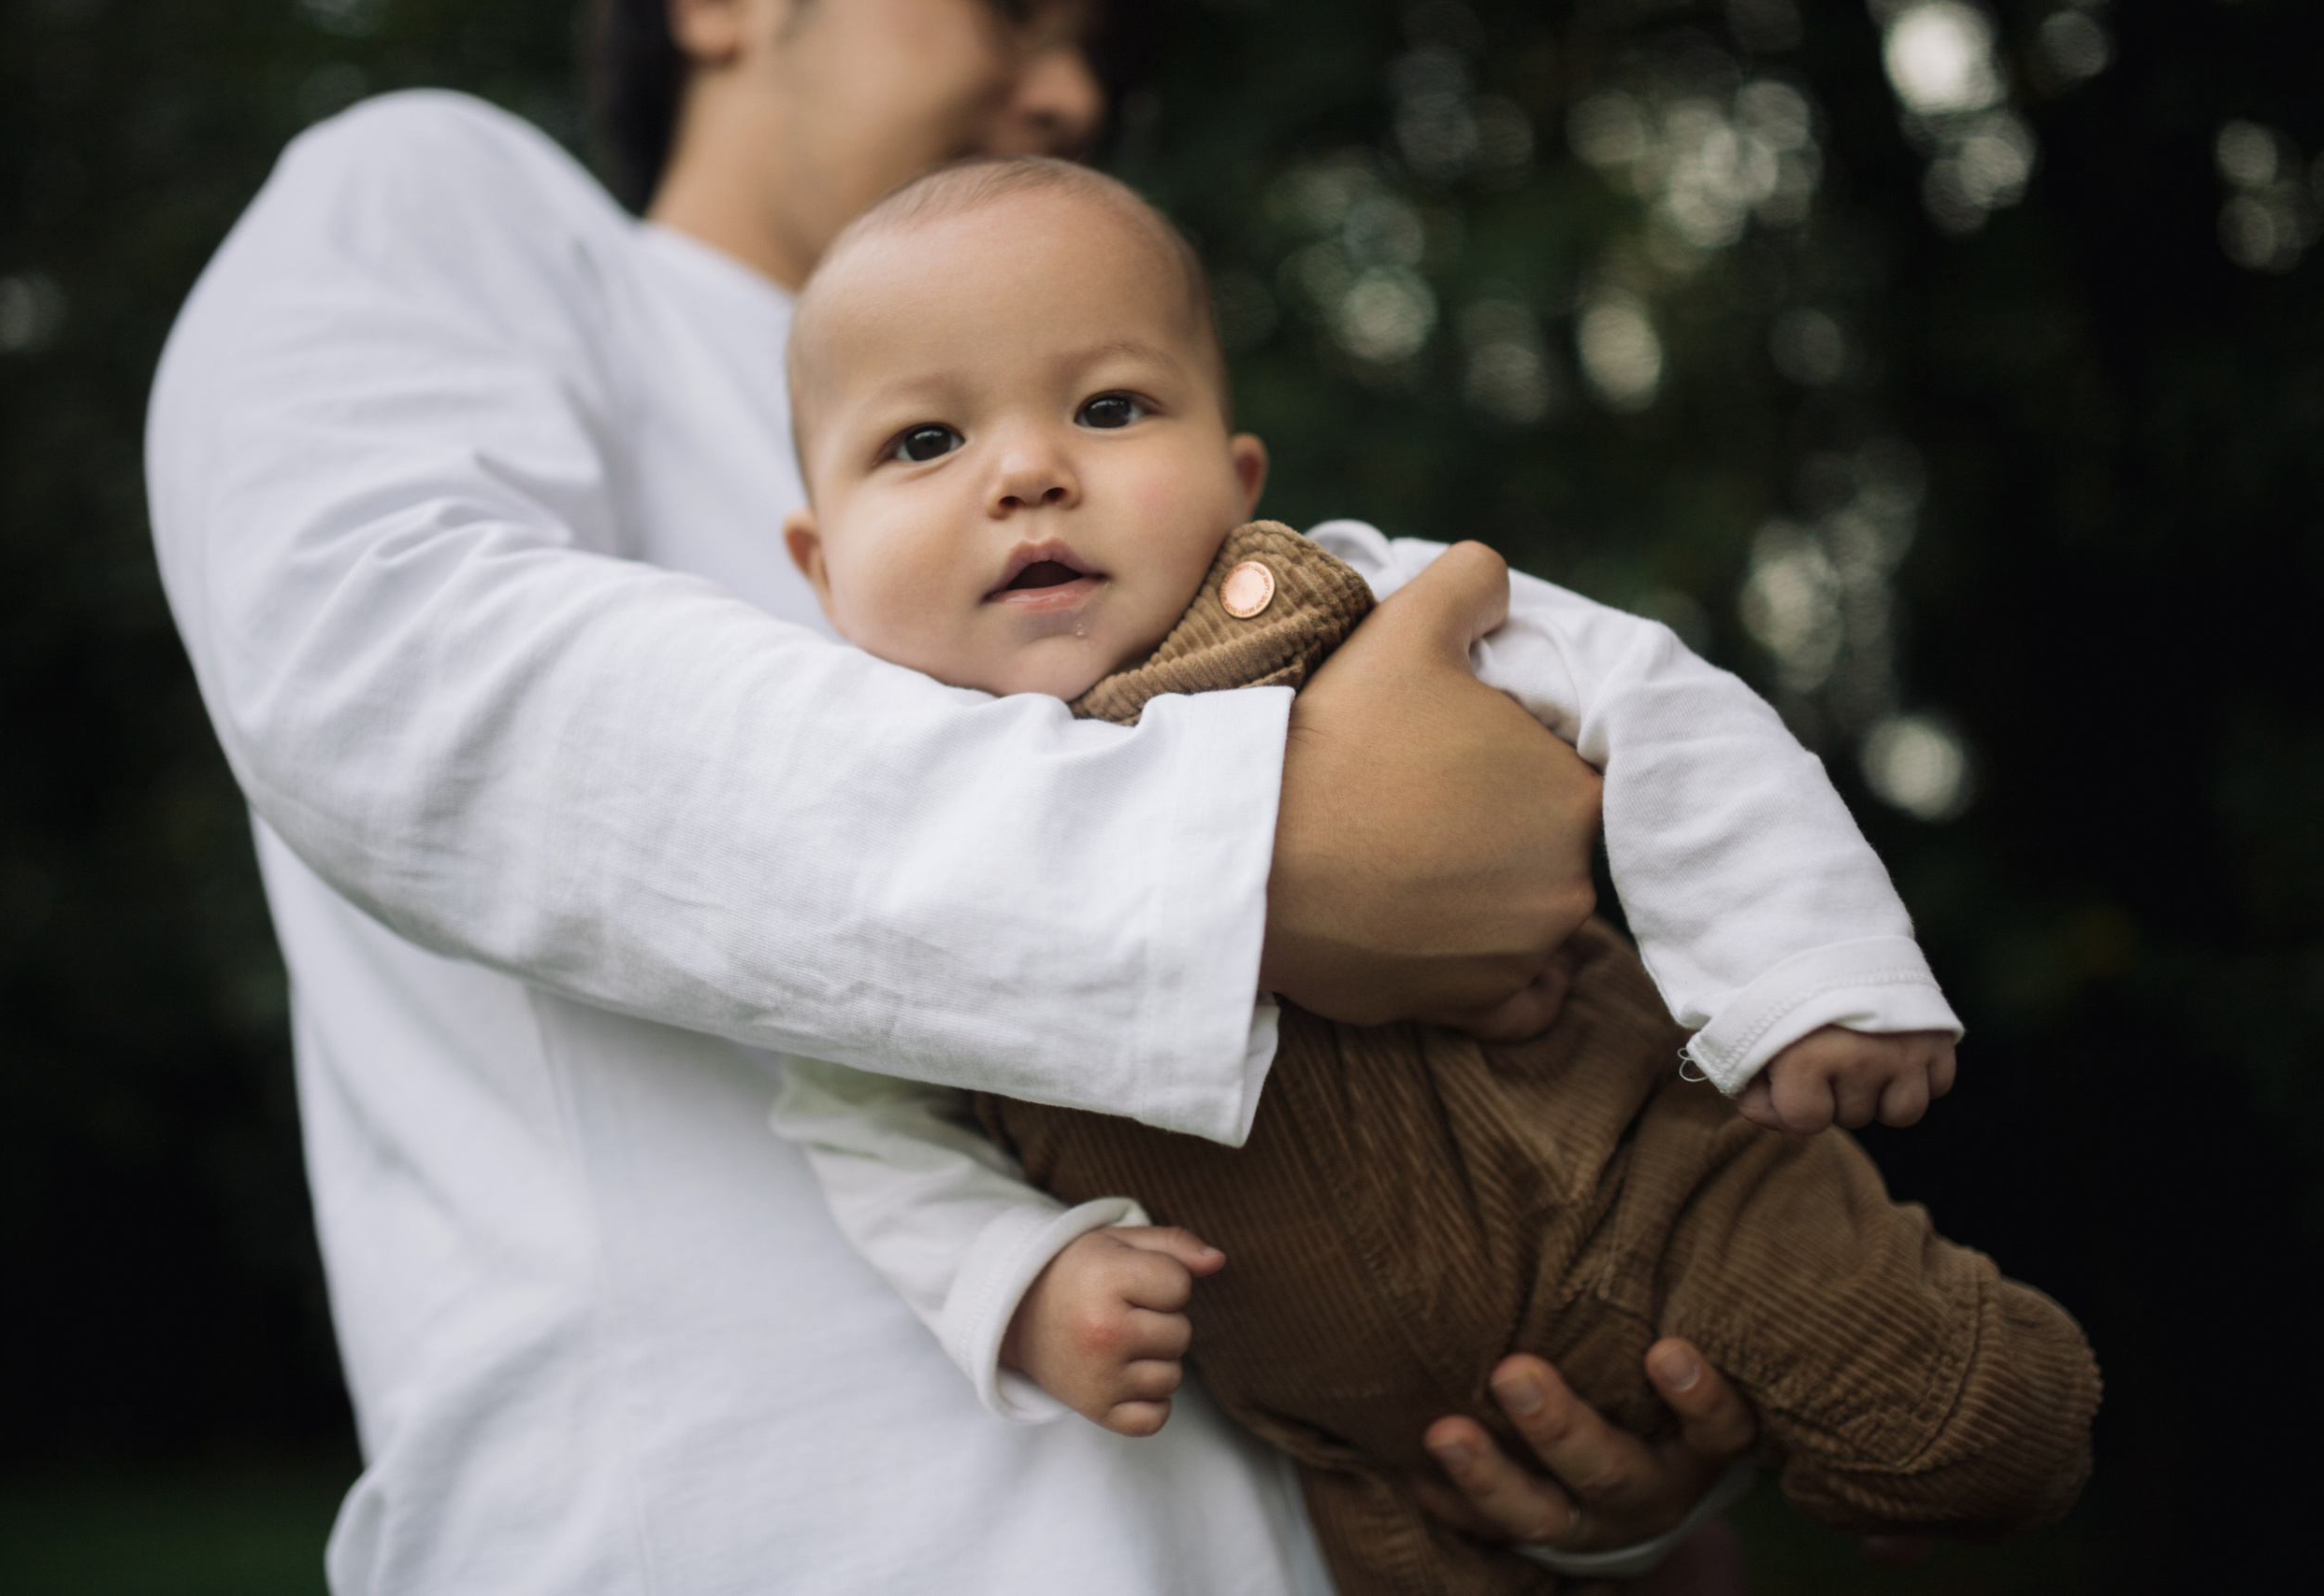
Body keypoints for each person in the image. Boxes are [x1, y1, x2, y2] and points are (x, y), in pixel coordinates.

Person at [145, 0, 1762, 1589]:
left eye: (1110, 59)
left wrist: (1587, 1463)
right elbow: (386, 665)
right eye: (1014, 12)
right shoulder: (453, 203)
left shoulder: (1138, 468)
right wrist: (1258, 859)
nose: (1065, 88)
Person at [765, 158, 2100, 1595]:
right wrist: (1017, 1287)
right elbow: (854, 1113)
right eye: (922, 441)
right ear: (822, 565)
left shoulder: (1343, 603)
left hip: (1655, 1193)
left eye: (1108, 408)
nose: (1027, 471)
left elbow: (1649, 699)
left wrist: (1801, 968)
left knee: (1974, 1431)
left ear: (1236, 473)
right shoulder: (883, 832)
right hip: (1366, 1459)